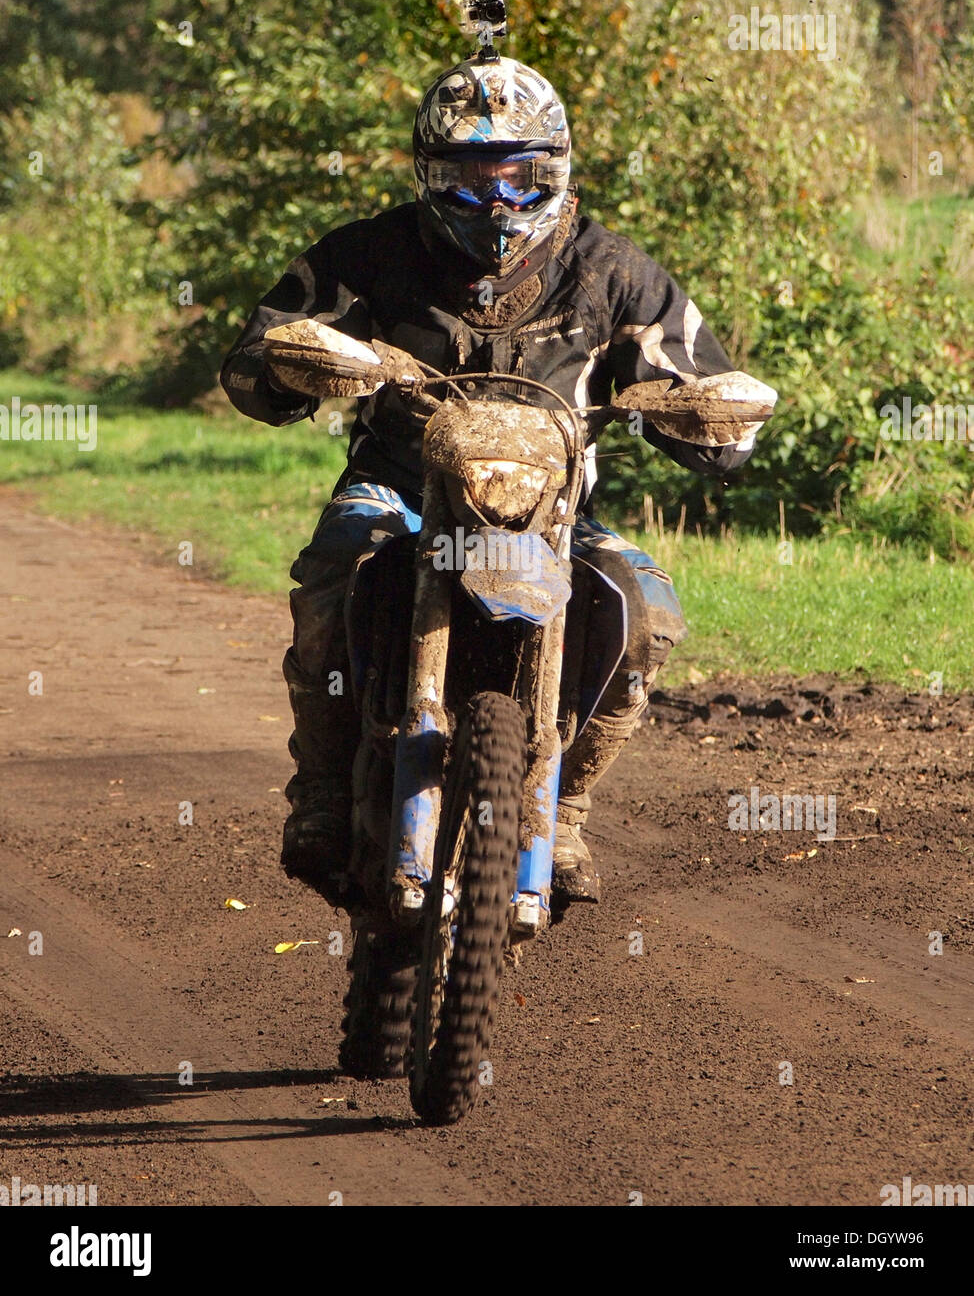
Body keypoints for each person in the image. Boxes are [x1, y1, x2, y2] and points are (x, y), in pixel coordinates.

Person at [221, 44, 760, 907]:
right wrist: (291, 366)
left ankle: (570, 805)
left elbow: (707, 391)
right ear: (429, 175)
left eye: (518, 178)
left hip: (555, 513)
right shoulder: (367, 254)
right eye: (469, 181)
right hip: (399, 489)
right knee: (331, 571)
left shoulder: (612, 271)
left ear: (558, 171)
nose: (497, 203)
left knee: (646, 614)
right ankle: (321, 787)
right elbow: (256, 360)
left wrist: (705, 418)